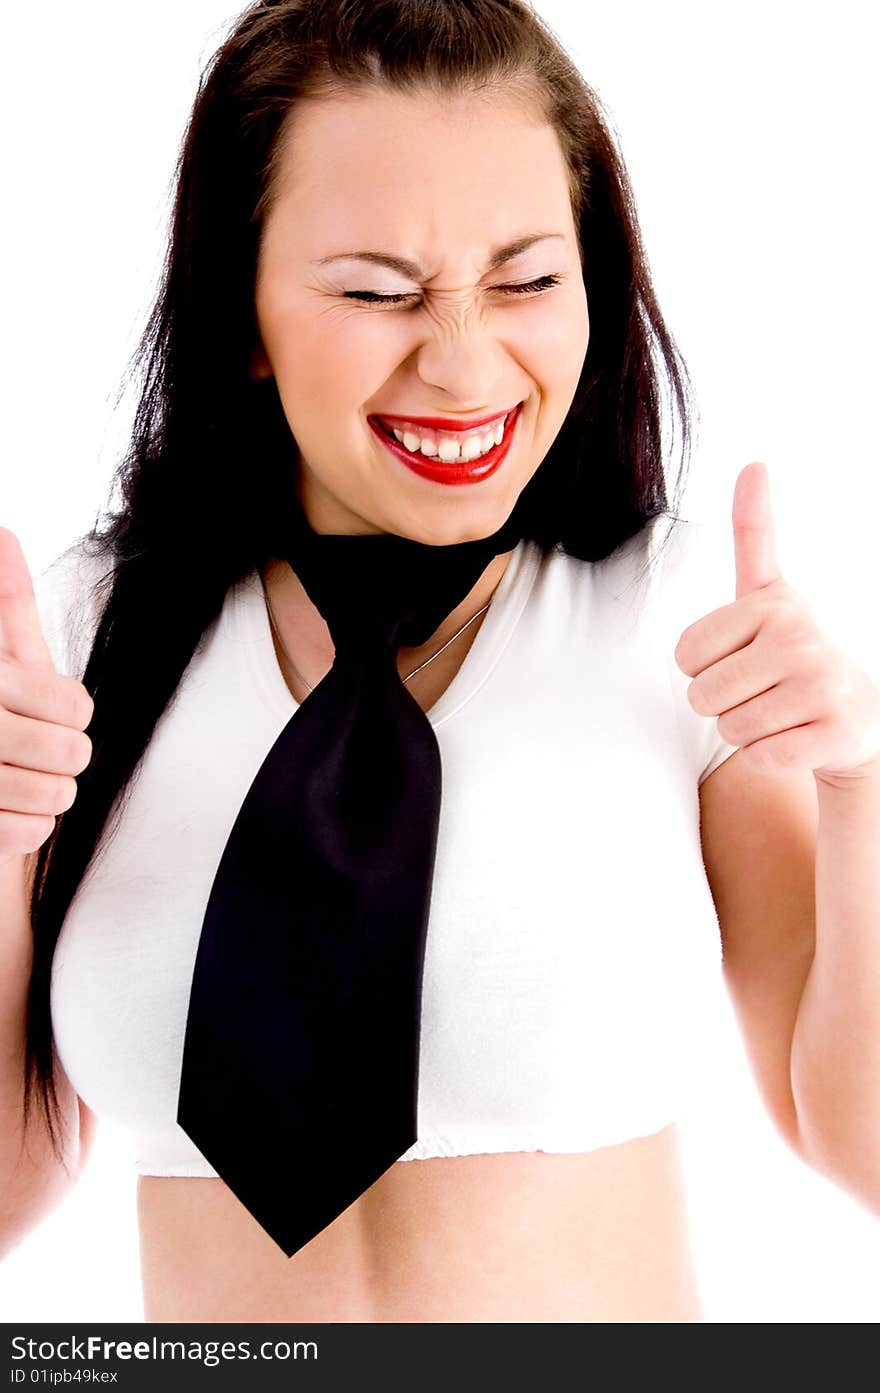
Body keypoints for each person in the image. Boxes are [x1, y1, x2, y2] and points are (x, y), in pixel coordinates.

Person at [2, 0, 879, 1324]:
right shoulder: (85, 633)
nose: (465, 362)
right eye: (374, 291)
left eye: (527, 279)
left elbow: (854, 1145)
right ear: (240, 310)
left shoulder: (685, 624)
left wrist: (859, 779)